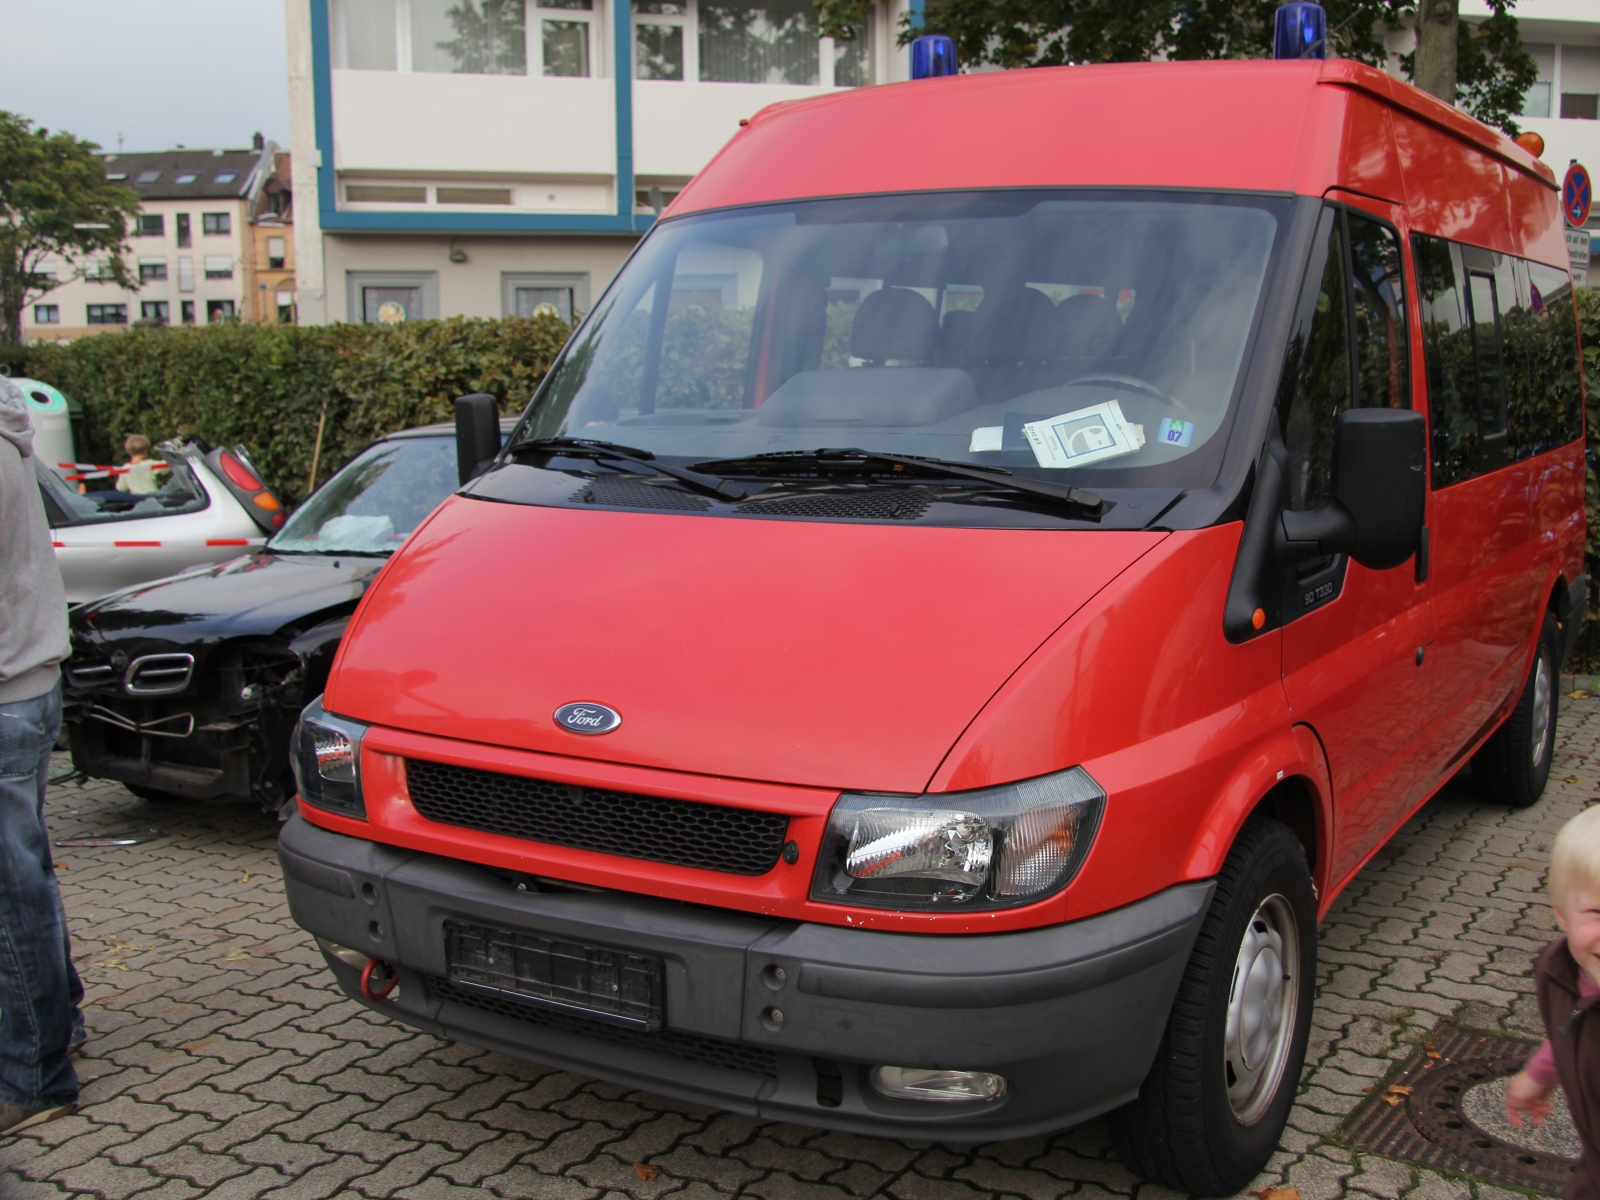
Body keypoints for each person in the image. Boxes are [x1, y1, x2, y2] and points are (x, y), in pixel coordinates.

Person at [0, 374, 83, 1137]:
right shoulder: (10, 436)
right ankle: (60, 1020)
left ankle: (34, 1071)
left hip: (4, 693)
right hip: (25, 682)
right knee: (28, 872)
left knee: (12, 890)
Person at [1506, 805, 1600, 1198]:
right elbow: (1573, 1025)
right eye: (1597, 912)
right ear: (1562, 913)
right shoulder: (1558, 973)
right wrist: (1539, 1076)